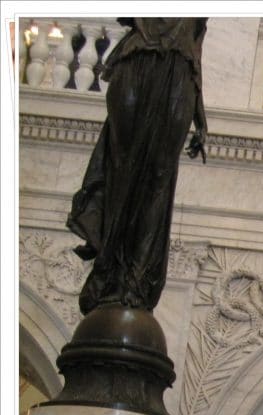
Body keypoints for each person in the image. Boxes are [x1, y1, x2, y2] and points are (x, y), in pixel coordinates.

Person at [66, 18, 208, 315]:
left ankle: (137, 280)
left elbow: (196, 48)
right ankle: (107, 267)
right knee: (122, 171)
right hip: (137, 60)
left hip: (178, 72)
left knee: (159, 177)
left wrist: (200, 117)